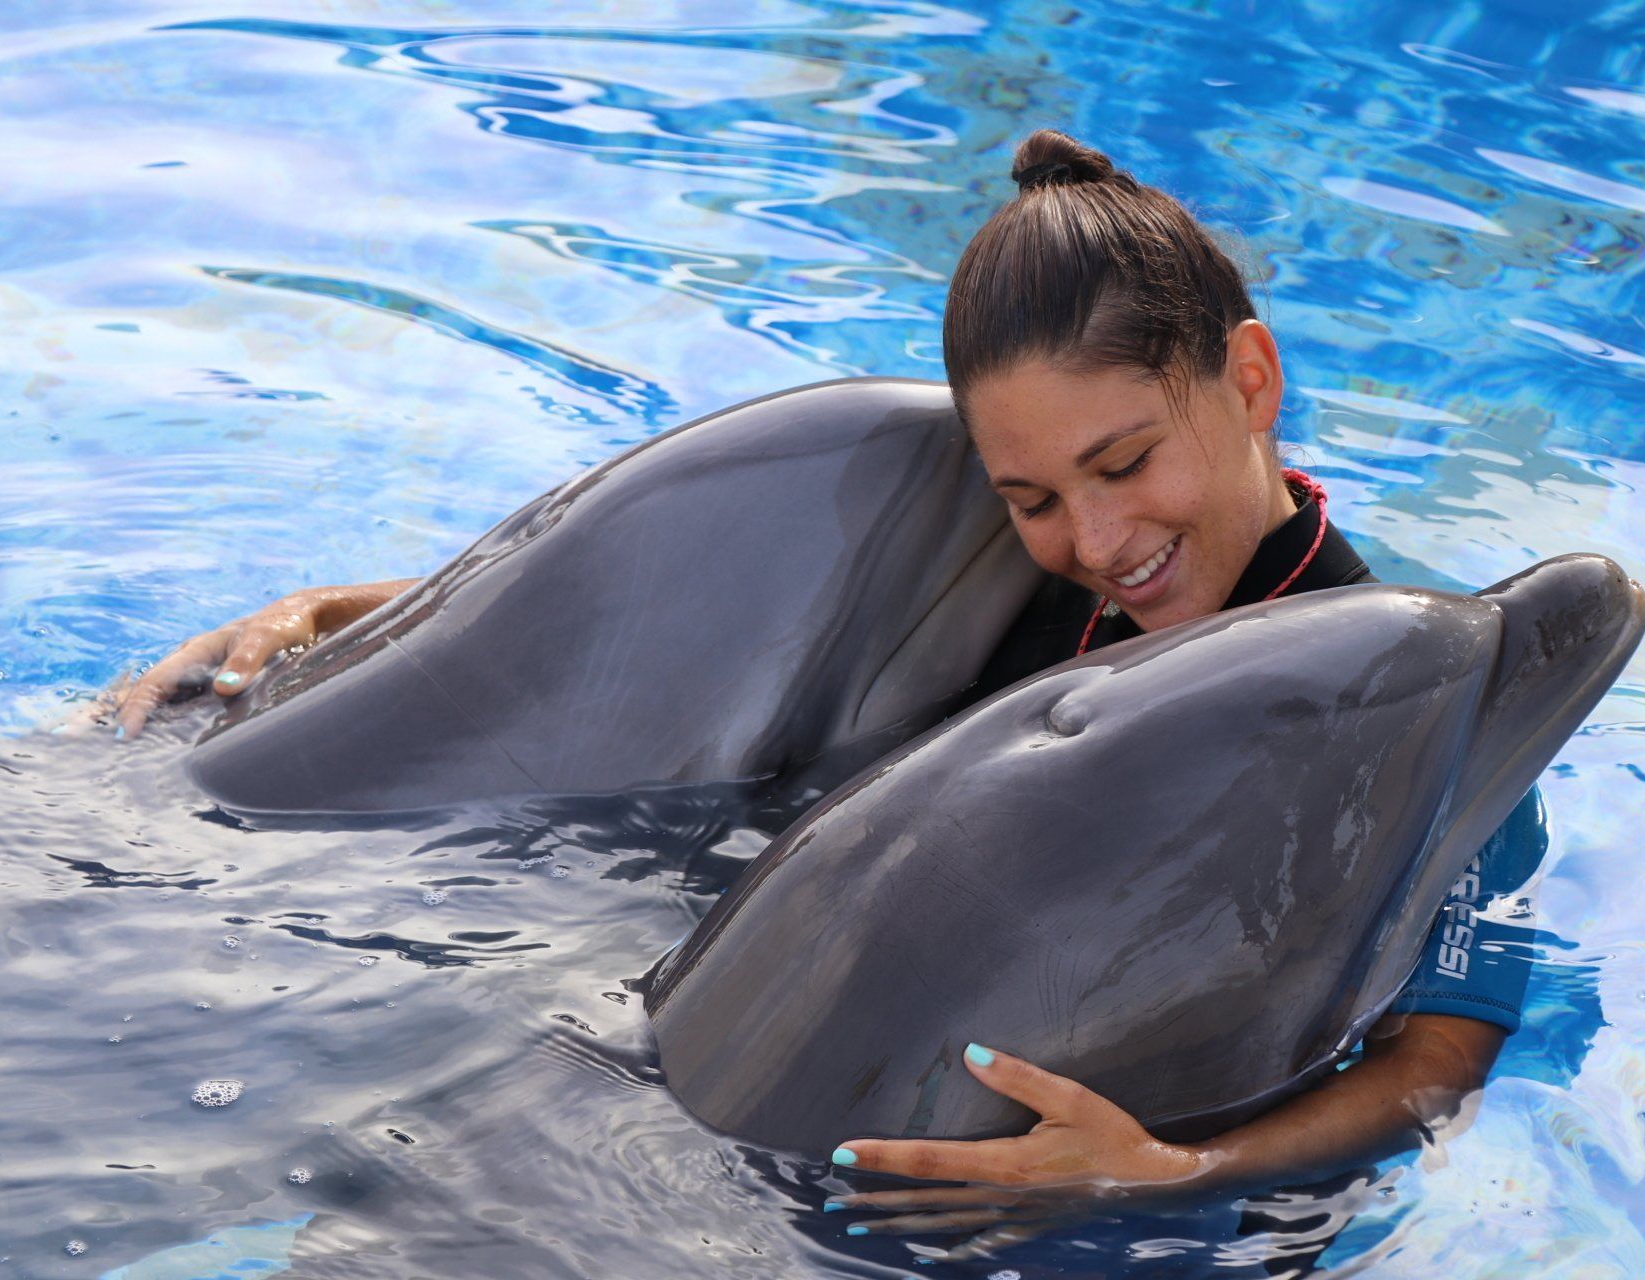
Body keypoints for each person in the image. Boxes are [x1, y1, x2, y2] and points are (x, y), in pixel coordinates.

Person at [113, 129, 1549, 1255]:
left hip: (1091, 1207)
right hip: (733, 1116)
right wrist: (343, 612)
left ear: (1249, 379)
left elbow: (1437, 1068)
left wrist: (1168, 1172)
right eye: (1032, 499)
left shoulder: (1402, 710)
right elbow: (640, 635)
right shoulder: (1023, 586)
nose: (1099, 540)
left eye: (1125, 464)